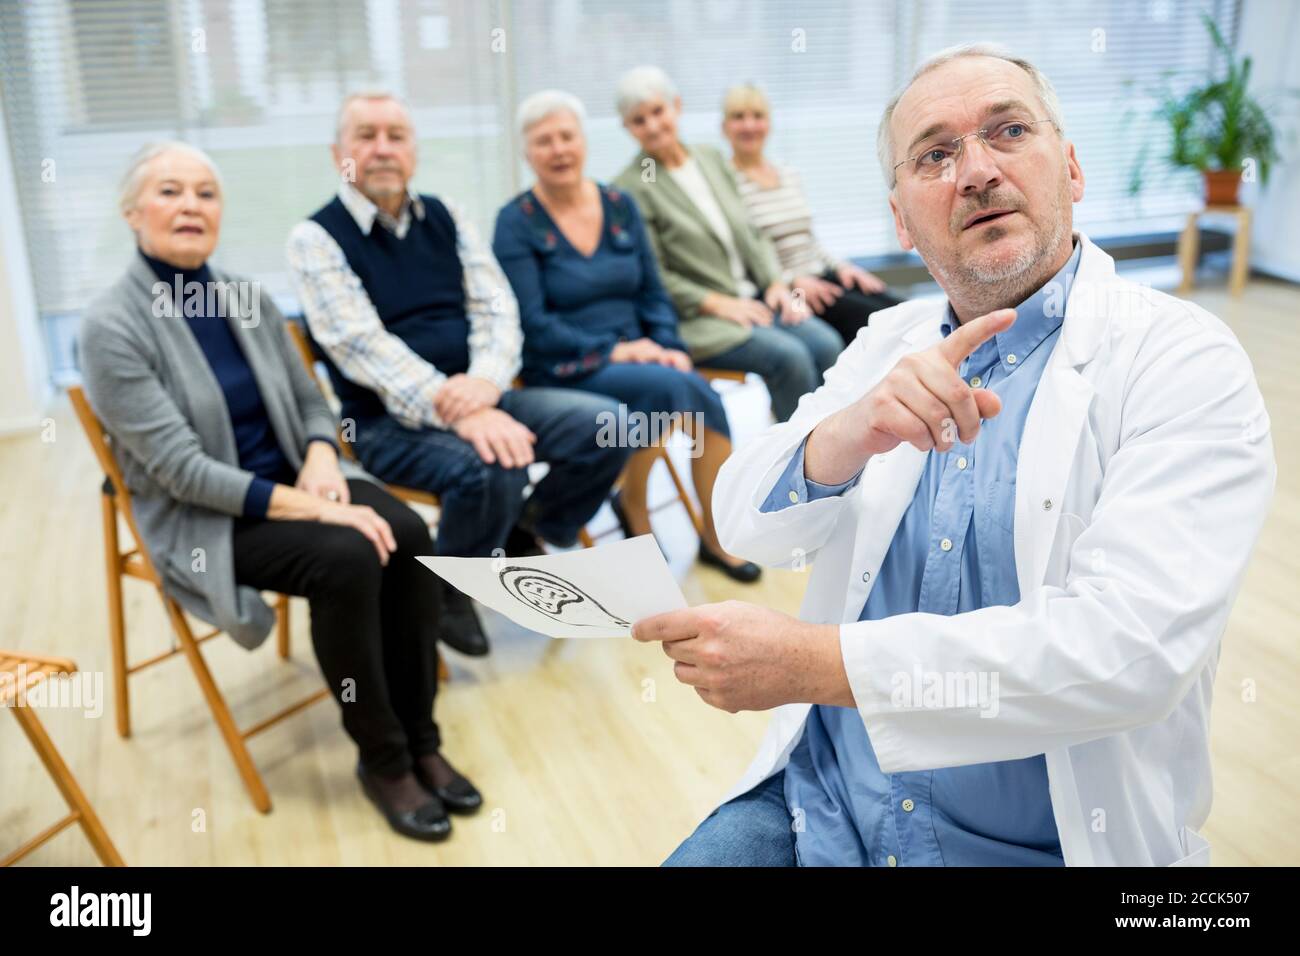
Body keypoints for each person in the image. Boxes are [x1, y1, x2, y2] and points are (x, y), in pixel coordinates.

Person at [635, 44, 1275, 866]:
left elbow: (1129, 654)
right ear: (901, 218)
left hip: (1045, 844)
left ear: (1072, 169)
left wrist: (819, 664)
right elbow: (743, 524)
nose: (975, 171)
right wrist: (844, 435)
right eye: (935, 154)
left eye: (1008, 131)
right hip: (823, 808)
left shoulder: (1181, 359)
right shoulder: (888, 342)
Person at [80, 142, 482, 843]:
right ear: (132, 211)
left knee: (412, 539)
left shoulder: (244, 295)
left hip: (304, 481)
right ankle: (383, 759)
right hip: (210, 515)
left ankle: (421, 737)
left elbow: (311, 403)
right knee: (349, 556)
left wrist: (324, 461)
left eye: (206, 193)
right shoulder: (111, 325)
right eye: (171, 192)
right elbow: (180, 471)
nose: (191, 207)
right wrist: (320, 508)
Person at [287, 92, 630, 656]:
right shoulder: (315, 239)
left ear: (414, 151)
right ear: (338, 153)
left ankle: (525, 526)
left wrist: (487, 387)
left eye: (396, 136)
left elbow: (496, 308)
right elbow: (360, 346)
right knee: (486, 468)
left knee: (607, 425)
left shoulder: (446, 214)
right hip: (383, 421)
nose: (382, 149)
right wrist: (462, 409)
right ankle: (448, 589)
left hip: (479, 394)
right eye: (366, 136)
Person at [493, 91, 760, 584]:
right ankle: (699, 534)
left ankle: (644, 508)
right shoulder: (515, 223)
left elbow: (654, 292)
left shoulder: (620, 205)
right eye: (543, 141)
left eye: (566, 136)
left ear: (584, 141)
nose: (558, 149)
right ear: (526, 153)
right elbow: (532, 322)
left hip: (643, 360)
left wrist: (670, 347)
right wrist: (620, 350)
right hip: (564, 364)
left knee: (672, 387)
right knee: (684, 393)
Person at [611, 66, 843, 423]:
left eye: (658, 112)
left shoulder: (711, 158)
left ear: (676, 106)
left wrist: (776, 284)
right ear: (627, 128)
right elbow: (654, 276)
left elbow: (752, 231)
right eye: (639, 120)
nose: (653, 126)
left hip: (754, 298)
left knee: (826, 345)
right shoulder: (632, 187)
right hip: (699, 317)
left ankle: (835, 448)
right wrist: (718, 304)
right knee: (790, 357)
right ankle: (795, 462)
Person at [722, 81, 904, 346]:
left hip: (820, 275)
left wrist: (843, 267)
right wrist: (791, 281)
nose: (749, 125)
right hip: (784, 289)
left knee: (902, 310)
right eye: (739, 117)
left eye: (757, 116)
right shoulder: (727, 185)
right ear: (725, 127)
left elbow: (809, 240)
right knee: (882, 325)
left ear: (769, 123)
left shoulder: (787, 174)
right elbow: (741, 257)